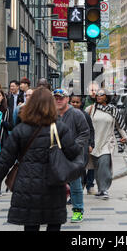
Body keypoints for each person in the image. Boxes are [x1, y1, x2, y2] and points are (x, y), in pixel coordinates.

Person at [0, 87, 81, 231]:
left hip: (27, 184)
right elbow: (73, 153)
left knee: (31, 223)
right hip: (54, 184)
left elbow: (5, 159)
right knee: (53, 223)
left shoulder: (21, 129)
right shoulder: (59, 128)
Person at [53, 89, 90, 223]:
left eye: (61, 98)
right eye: (56, 98)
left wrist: (74, 146)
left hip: (74, 155)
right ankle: (54, 211)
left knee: (75, 184)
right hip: (56, 155)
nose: (58, 100)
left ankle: (78, 210)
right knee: (54, 184)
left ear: (67, 99)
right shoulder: (51, 114)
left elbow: (85, 132)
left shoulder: (76, 114)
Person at [85, 88, 127, 200]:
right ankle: (100, 189)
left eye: (101, 94)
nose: (98, 96)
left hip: (107, 142)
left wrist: (124, 137)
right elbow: (83, 123)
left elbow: (120, 126)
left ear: (106, 97)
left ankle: (104, 189)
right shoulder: (90, 109)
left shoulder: (113, 110)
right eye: (97, 95)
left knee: (104, 166)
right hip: (94, 143)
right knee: (97, 167)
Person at [70, 94, 96, 195]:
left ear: (81, 103)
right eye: (73, 102)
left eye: (77, 102)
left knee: (80, 168)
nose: (75, 104)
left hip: (83, 147)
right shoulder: (66, 114)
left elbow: (90, 130)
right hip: (70, 146)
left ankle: (80, 188)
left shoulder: (85, 115)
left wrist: (91, 144)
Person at [0, 89, 13, 196]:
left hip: (2, 139)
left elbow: (11, 126)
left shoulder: (7, 110)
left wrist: (2, 122)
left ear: (2, 97)